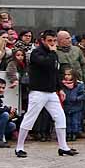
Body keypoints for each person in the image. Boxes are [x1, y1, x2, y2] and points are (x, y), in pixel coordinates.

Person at [13, 30, 76, 158]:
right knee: (30, 118)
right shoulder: (37, 53)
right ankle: (19, 147)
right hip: (38, 91)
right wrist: (52, 52)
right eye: (49, 41)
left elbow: (55, 73)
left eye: (54, 41)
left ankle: (63, 146)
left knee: (60, 117)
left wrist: (60, 89)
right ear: (43, 41)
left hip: (51, 92)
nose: (52, 44)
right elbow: (45, 64)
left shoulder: (54, 55)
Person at [59, 67, 85, 139]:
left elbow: (83, 95)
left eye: (69, 75)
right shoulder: (62, 85)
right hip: (66, 106)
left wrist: (77, 98)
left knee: (75, 121)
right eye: (65, 74)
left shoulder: (79, 85)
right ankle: (68, 133)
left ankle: (74, 133)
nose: (67, 76)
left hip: (76, 107)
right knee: (67, 121)